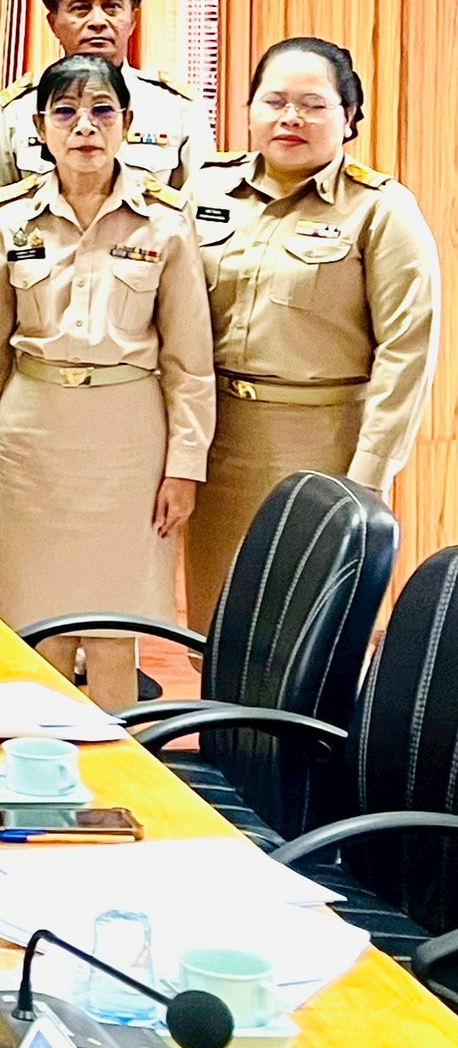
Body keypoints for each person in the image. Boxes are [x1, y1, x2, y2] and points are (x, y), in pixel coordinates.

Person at [0, 55, 214, 709]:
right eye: (66, 112)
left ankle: (117, 755)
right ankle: (40, 753)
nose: (84, 127)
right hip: (33, 439)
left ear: (126, 121)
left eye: (101, 110)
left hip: (128, 442)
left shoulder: (165, 220)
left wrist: (184, 467)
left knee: (114, 628)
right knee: (36, 623)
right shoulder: (8, 218)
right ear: (39, 127)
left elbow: (189, 362)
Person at [181, 38, 440, 631]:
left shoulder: (381, 210)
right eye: (274, 101)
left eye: (313, 104)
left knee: (309, 632)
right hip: (216, 441)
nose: (290, 118)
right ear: (249, 110)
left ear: (349, 117)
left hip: (322, 446)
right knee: (218, 624)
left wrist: (368, 475)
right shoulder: (206, 191)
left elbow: (406, 352)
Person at [0, 0, 208, 190]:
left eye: (112, 7)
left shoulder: (176, 108)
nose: (97, 21)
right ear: (53, 24)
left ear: (132, 20)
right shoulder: (17, 110)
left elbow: (201, 202)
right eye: (81, 9)